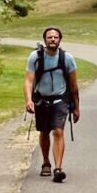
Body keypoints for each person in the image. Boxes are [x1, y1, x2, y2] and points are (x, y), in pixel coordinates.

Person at [24, 26, 80, 183]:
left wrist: (76, 107)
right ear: (45, 40)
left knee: (58, 132)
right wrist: (28, 100)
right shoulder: (35, 57)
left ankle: (58, 168)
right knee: (44, 131)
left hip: (60, 100)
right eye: (50, 37)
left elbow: (74, 85)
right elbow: (28, 81)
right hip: (41, 100)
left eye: (55, 37)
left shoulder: (67, 58)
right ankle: (46, 162)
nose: (53, 40)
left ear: (60, 40)